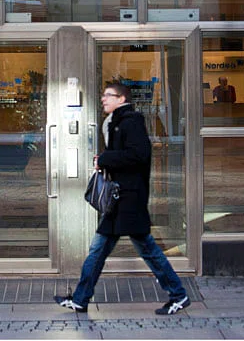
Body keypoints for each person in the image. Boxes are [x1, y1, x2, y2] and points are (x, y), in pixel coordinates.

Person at [54, 83, 191, 316]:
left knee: (145, 249)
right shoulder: (116, 121)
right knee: (99, 250)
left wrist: (105, 159)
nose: (104, 99)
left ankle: (178, 295)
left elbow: (139, 154)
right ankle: (80, 299)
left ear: (122, 99)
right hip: (119, 199)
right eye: (103, 95)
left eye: (109, 95)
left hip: (129, 199)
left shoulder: (131, 122)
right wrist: (106, 159)